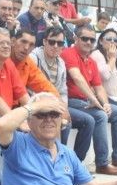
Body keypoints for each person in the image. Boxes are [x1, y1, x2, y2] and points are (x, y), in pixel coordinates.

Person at [61, 25, 117, 175]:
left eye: (92, 39)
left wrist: (104, 103)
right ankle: (102, 163)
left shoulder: (90, 61)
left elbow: (99, 87)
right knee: (100, 115)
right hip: (71, 100)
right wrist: (97, 103)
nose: (88, 42)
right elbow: (77, 78)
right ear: (76, 39)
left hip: (86, 101)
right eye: (84, 39)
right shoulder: (69, 53)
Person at [30, 26, 92, 160]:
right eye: (52, 42)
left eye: (60, 43)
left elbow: (63, 91)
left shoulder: (61, 63)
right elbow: (30, 88)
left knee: (88, 121)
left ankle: (76, 163)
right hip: (37, 103)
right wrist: (58, 108)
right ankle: (57, 160)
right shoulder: (34, 58)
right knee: (63, 122)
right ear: (45, 42)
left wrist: (63, 107)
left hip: (56, 104)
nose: (56, 46)